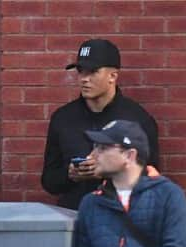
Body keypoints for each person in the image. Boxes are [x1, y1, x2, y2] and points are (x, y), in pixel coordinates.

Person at [42, 38, 159, 210]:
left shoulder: (137, 120)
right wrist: (70, 175)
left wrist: (107, 172)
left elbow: (150, 179)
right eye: (81, 71)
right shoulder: (63, 118)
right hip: (76, 220)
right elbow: (49, 182)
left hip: (121, 221)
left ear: (113, 76)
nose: (84, 79)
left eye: (92, 71)